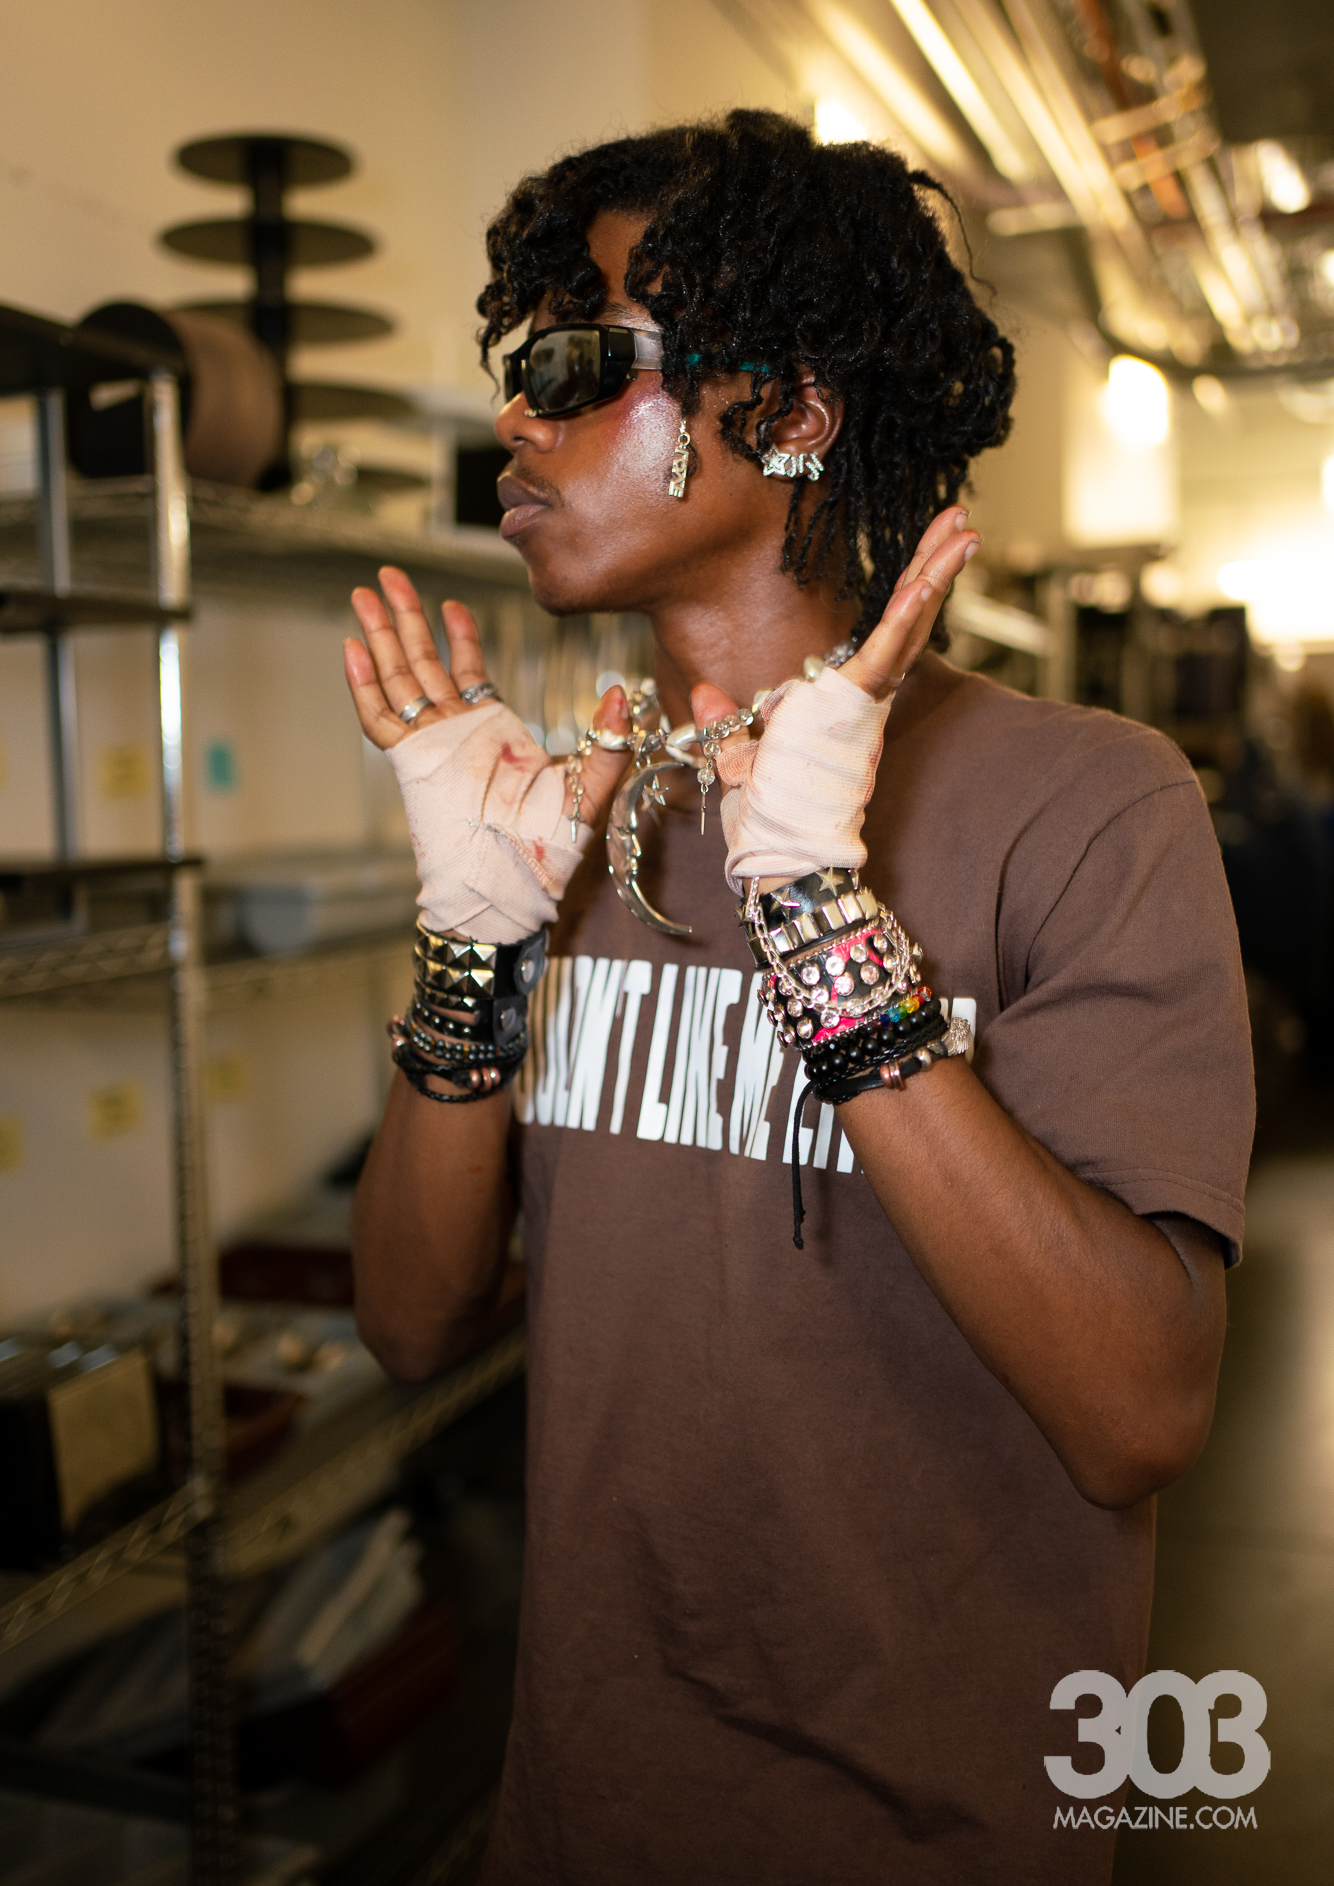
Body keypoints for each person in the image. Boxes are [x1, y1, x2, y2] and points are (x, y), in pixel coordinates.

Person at [343, 111, 1253, 1885]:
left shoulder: (1085, 800)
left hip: (925, 1831)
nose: (516, 422)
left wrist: (823, 924)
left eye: (575, 364)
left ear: (793, 409)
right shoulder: (578, 819)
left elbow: (1139, 1412)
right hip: (583, 1805)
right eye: (518, 373)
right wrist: (471, 956)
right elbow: (408, 1324)